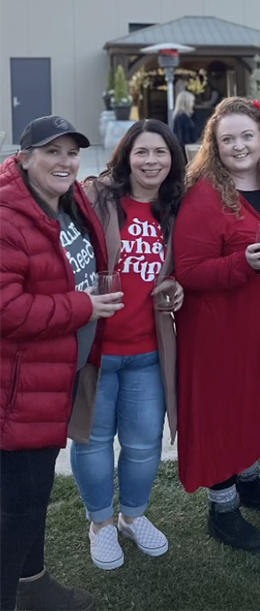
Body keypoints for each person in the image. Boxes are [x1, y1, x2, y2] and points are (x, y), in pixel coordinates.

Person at [0, 116, 123, 611]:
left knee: (34, 495)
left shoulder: (67, 203)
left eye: (71, 152)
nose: (65, 162)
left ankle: (33, 584)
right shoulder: (8, 218)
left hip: (56, 375)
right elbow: (6, 309)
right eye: (52, 151)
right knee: (19, 506)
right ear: (24, 158)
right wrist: (82, 307)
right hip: (19, 387)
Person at [174, 97, 260, 553]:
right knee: (224, 415)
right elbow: (189, 271)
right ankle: (223, 509)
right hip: (222, 331)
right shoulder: (204, 196)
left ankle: (248, 483)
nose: (238, 146)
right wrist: (239, 265)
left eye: (247, 136)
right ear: (214, 145)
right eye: (227, 139)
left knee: (252, 406)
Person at [70, 119, 186, 570]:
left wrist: (176, 286)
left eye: (160, 152)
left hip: (148, 352)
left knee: (143, 444)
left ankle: (132, 517)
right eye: (141, 152)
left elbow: (184, 266)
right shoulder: (96, 198)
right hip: (98, 351)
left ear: (172, 158)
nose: (151, 161)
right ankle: (100, 524)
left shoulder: (176, 207)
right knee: (93, 439)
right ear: (126, 157)